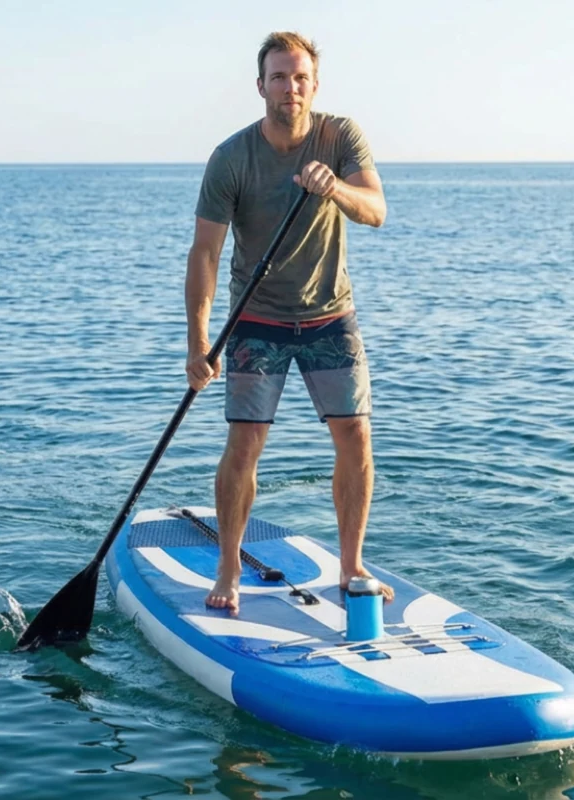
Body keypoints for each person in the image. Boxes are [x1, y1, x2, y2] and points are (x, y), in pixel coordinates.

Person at [185, 32, 390, 615]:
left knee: (355, 435)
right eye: (279, 77)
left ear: (314, 85)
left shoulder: (340, 136)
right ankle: (229, 567)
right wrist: (199, 342)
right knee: (245, 441)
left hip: (331, 315)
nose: (290, 88)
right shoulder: (232, 158)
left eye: (300, 78)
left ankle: (352, 566)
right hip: (257, 318)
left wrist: (337, 188)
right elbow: (205, 253)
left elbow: (376, 210)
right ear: (261, 86)